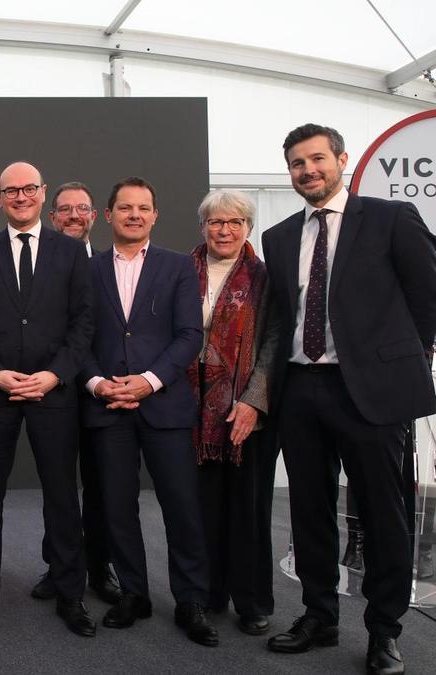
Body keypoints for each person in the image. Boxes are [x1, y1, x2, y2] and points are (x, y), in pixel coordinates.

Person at [261, 124, 436, 675]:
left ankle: (384, 631)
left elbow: (427, 298)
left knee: (383, 515)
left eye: (316, 159)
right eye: (296, 164)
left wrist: (400, 363)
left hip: (370, 392)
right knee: (309, 511)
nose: (307, 170)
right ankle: (319, 615)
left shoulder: (389, 219)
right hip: (301, 389)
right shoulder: (281, 236)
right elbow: (282, 316)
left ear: (342, 159)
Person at [0, 164, 95, 636]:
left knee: (61, 496)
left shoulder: (72, 253)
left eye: (28, 189)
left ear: (42, 194)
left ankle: (70, 591)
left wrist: (53, 375)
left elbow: (83, 324)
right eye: (11, 191)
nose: (20, 197)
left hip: (52, 393)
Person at [82, 176, 218, 647]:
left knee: (181, 506)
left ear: (155, 216)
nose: (134, 214)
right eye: (125, 207)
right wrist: (100, 384)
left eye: (143, 208)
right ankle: (133, 594)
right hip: (107, 408)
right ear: (109, 215)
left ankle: (191, 601)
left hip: (164, 405)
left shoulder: (179, 267)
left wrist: (148, 382)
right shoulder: (88, 270)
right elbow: (76, 337)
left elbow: (188, 335)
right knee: (117, 507)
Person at [186, 190, 278, 636]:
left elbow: (274, 343)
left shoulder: (264, 277)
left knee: (249, 509)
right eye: (216, 222)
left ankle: (253, 601)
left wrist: (253, 401)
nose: (225, 230)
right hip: (192, 408)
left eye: (235, 222)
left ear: (248, 228)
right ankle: (205, 593)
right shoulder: (182, 271)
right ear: (202, 227)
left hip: (247, 409)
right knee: (201, 507)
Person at [31, 180, 121, 606]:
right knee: (60, 487)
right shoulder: (41, 266)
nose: (72, 216)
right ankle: (61, 566)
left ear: (94, 217)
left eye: (80, 209)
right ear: (52, 217)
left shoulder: (108, 266)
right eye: (63, 210)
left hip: (103, 392)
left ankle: (99, 567)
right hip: (59, 390)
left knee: (102, 486)